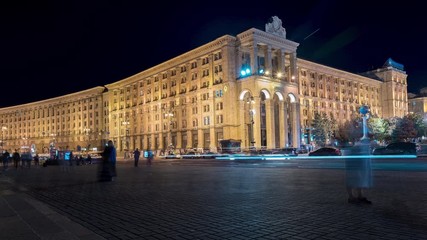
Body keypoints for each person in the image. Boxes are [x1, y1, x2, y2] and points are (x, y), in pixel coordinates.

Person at [345, 139, 373, 204]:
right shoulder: (356, 149)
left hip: (355, 167)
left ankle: (359, 196)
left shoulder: (359, 149)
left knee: (358, 181)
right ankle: (351, 197)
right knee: (351, 181)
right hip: (353, 167)